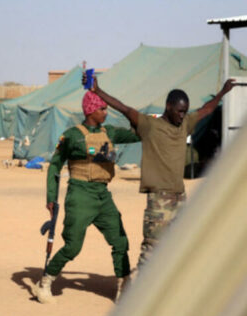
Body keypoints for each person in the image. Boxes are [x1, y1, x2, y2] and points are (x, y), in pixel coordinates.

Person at [89, 76, 236, 267]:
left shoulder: (185, 124)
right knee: (151, 249)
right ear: (168, 107)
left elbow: (207, 109)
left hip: (179, 198)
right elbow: (124, 108)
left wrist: (223, 92)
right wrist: (98, 91)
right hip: (159, 201)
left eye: (185, 111)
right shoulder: (150, 126)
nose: (183, 115)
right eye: (179, 111)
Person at [36, 90, 140, 304]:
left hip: (103, 195)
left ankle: (124, 286)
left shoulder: (109, 132)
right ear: (91, 111)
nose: (106, 113)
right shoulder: (72, 135)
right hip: (80, 195)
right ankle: (46, 282)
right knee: (73, 246)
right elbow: (55, 165)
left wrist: (133, 115)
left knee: (120, 240)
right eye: (103, 109)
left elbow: (137, 134)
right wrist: (51, 197)